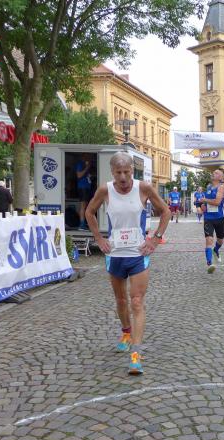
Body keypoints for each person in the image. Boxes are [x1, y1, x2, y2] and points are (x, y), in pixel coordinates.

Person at [85, 152, 170, 375]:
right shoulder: (105, 190)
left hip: (138, 253)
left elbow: (166, 212)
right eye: (118, 173)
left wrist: (155, 239)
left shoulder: (144, 188)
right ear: (112, 172)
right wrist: (99, 238)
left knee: (136, 301)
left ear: (132, 170)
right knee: (121, 300)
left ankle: (136, 354)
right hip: (115, 254)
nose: (123, 177)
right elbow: (89, 212)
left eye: (126, 172)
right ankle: (125, 332)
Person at [202, 170, 224, 273]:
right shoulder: (208, 187)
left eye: (216, 173)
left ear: (220, 177)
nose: (213, 174)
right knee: (209, 240)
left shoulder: (221, 187)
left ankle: (216, 250)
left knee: (220, 241)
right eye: (213, 172)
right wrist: (202, 205)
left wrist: (205, 200)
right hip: (208, 218)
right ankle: (209, 263)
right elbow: (204, 202)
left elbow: (217, 202)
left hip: (219, 218)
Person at [75, 156, 94, 230]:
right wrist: (87, 168)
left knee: (86, 205)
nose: (89, 158)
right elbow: (79, 175)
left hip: (87, 187)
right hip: (82, 187)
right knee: (83, 205)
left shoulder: (86, 165)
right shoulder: (80, 164)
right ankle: (81, 224)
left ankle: (84, 222)